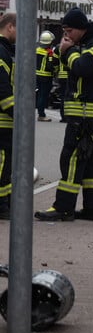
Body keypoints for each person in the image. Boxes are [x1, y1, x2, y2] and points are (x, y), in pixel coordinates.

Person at [35, 8, 93, 222]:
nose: (66, 35)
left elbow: (82, 68)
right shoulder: (87, 42)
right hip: (88, 113)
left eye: (69, 30)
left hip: (87, 114)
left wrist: (68, 52)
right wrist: (65, 53)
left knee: (71, 158)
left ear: (80, 28)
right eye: (64, 31)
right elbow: (70, 71)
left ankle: (63, 207)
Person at [0, 13, 15, 220]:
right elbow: (2, 88)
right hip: (3, 120)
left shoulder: (5, 50)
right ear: (10, 27)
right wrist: (17, 113)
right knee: (2, 165)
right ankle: (2, 207)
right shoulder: (2, 52)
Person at [35, 30, 56, 122]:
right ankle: (41, 114)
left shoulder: (37, 50)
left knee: (39, 94)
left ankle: (40, 112)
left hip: (37, 76)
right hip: (46, 77)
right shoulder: (49, 53)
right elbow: (50, 66)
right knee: (43, 96)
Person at [52, 43, 69, 122]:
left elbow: (54, 62)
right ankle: (70, 117)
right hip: (73, 77)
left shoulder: (59, 47)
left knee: (63, 97)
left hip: (62, 76)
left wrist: (56, 71)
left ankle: (63, 117)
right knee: (71, 98)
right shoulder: (76, 46)